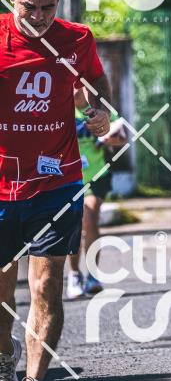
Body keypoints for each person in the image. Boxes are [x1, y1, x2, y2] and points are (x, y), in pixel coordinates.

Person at [0, 0, 110, 381]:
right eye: (30, 6)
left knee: (47, 285)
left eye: (48, 7)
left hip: (57, 180)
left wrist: (98, 109)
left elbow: (95, 83)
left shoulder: (77, 38)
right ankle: (4, 359)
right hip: (3, 185)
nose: (40, 16)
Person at [66, 91, 127, 299]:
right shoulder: (58, 106)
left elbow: (121, 138)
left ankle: (92, 276)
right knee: (73, 223)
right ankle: (74, 274)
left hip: (96, 174)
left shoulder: (98, 107)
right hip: (68, 176)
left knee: (90, 216)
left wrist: (109, 139)